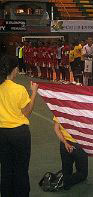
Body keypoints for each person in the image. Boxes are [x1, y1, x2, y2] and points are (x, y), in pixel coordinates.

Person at [0, 55, 38, 197]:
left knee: (6, 168)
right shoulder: (19, 89)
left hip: (2, 134)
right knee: (21, 169)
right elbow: (27, 112)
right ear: (15, 69)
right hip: (19, 134)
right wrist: (33, 93)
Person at [53, 117, 88, 190]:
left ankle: (63, 179)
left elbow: (56, 129)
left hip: (64, 145)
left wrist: (65, 143)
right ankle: (65, 181)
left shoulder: (58, 111)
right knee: (82, 174)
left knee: (66, 170)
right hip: (78, 145)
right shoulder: (80, 113)